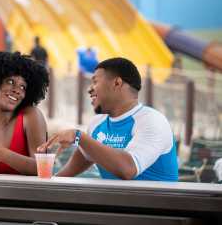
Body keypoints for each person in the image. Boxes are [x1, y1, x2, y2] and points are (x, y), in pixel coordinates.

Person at [38, 57, 178, 181]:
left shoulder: (152, 121)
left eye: (95, 82)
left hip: (154, 208)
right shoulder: (97, 123)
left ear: (117, 83)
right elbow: (87, 154)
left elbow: (128, 169)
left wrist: (78, 136)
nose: (90, 89)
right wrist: (54, 181)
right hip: (114, 204)